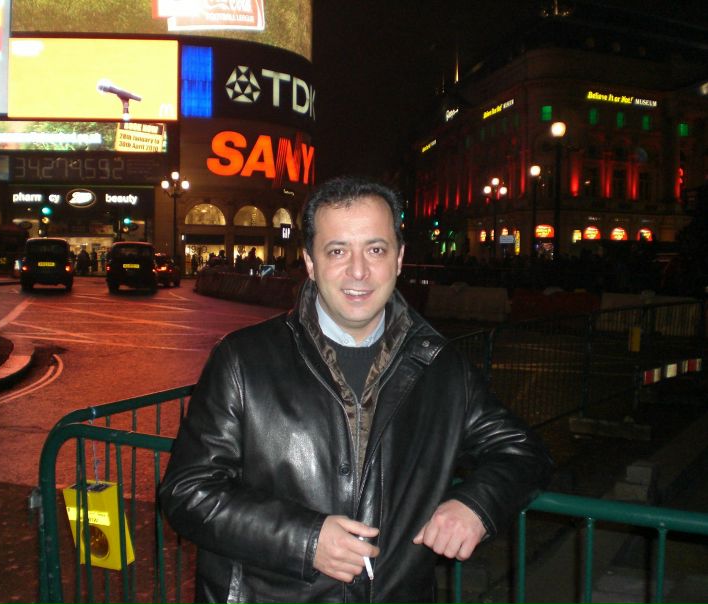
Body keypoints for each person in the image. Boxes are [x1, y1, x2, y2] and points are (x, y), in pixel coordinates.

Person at [159, 176, 552, 604]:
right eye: (338, 251)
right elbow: (187, 492)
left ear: (399, 258)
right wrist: (305, 540)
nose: (359, 271)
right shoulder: (242, 360)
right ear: (310, 262)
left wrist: (477, 505)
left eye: (376, 250)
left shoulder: (441, 367)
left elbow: (524, 452)